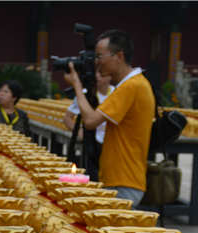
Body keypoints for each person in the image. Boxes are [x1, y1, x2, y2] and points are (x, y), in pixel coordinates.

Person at [63, 29, 155, 204]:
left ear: (118, 56)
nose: (96, 63)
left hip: (124, 181)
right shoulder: (132, 84)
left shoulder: (131, 86)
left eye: (99, 57)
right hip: (120, 178)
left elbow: (89, 121)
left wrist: (76, 84)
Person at [63, 69, 114, 146]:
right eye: (96, 73)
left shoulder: (116, 92)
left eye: (102, 73)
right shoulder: (85, 94)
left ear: (110, 77)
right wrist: (80, 132)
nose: (97, 76)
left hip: (111, 142)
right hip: (92, 142)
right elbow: (67, 118)